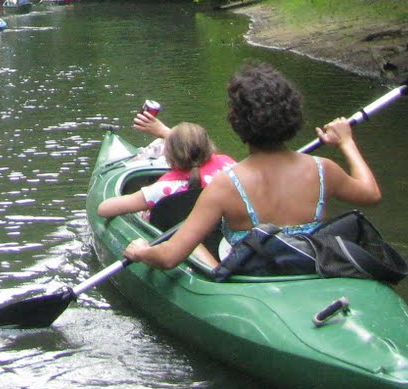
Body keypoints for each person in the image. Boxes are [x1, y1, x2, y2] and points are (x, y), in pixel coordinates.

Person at [123, 62, 381, 271]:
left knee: (186, 241)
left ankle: (215, 278)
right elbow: (371, 194)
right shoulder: (323, 169)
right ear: (294, 114)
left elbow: (169, 258)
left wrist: (142, 251)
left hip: (252, 272)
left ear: (236, 121)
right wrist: (346, 142)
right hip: (309, 264)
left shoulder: (226, 184)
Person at [98, 117, 236, 267]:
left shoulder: (164, 188)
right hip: (224, 239)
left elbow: (104, 209)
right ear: (208, 147)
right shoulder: (229, 165)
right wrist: (165, 132)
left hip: (188, 243)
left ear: (168, 156)